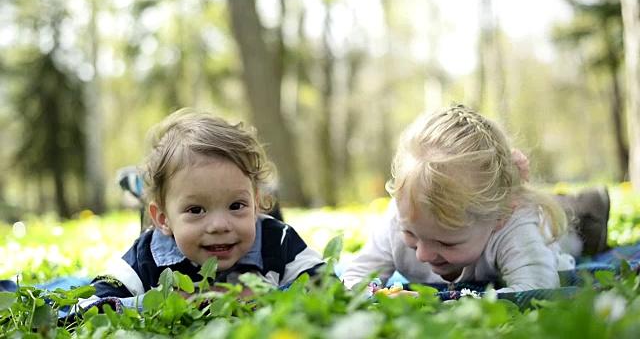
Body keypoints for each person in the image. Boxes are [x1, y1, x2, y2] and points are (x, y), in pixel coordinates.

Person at [87, 108, 325, 309]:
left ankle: (262, 194)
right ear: (163, 219)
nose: (219, 226)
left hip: (259, 211)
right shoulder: (147, 253)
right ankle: (140, 184)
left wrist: (266, 297)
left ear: (254, 207)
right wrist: (158, 302)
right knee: (156, 195)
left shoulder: (279, 239)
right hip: (168, 224)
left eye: (235, 206)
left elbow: (327, 286)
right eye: (196, 210)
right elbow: (86, 306)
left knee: (269, 205)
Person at [341, 104, 575, 293]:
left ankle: (584, 206)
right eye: (411, 234)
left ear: (499, 218)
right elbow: (356, 279)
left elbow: (537, 287)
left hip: (544, 227)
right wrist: (376, 295)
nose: (422, 255)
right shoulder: (402, 217)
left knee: (569, 234)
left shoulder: (513, 225)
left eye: (446, 243)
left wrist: (442, 306)